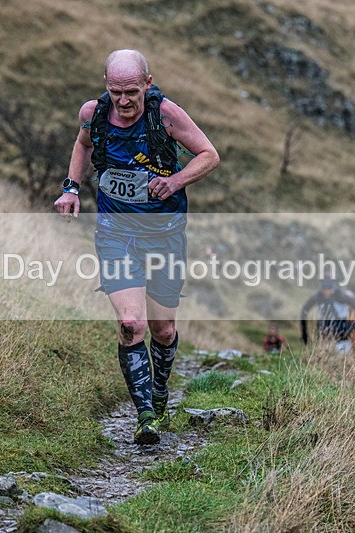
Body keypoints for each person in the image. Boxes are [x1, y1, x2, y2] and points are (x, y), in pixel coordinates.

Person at [54, 49, 219, 444]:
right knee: (132, 325)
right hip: (116, 233)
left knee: (162, 329)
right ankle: (145, 416)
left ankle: (159, 392)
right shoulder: (93, 113)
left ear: (148, 83)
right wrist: (71, 188)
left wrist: (175, 181)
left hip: (164, 234)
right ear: (106, 86)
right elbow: (83, 145)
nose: (124, 101)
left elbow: (209, 155)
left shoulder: (166, 116)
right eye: (116, 92)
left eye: (131, 91)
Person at [299, 279, 355, 353]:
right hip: (324, 330)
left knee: (342, 353)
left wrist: (354, 325)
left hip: (342, 330)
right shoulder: (317, 297)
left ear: (333, 289)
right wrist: (304, 332)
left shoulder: (341, 296)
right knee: (323, 353)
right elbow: (304, 310)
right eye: (324, 290)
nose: (327, 292)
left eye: (329, 289)